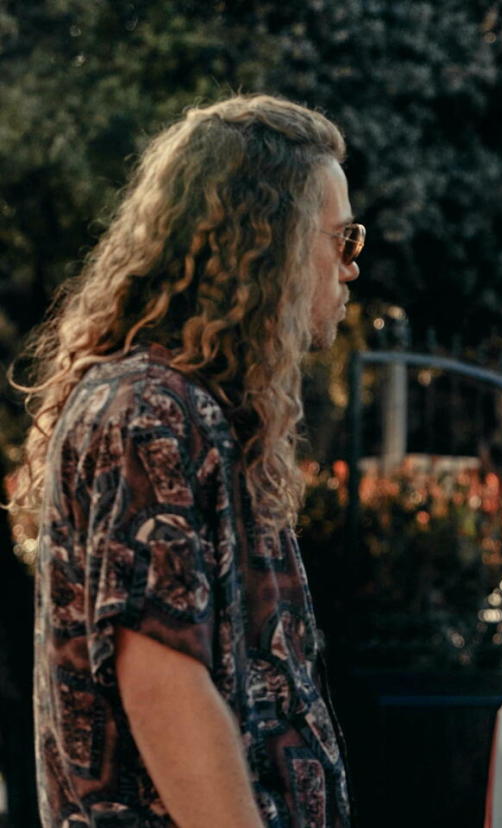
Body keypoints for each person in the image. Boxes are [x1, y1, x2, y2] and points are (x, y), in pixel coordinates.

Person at [12, 94, 364, 826]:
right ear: (270, 243)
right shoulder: (149, 412)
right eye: (344, 239)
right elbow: (165, 683)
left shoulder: (196, 410)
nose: (351, 267)